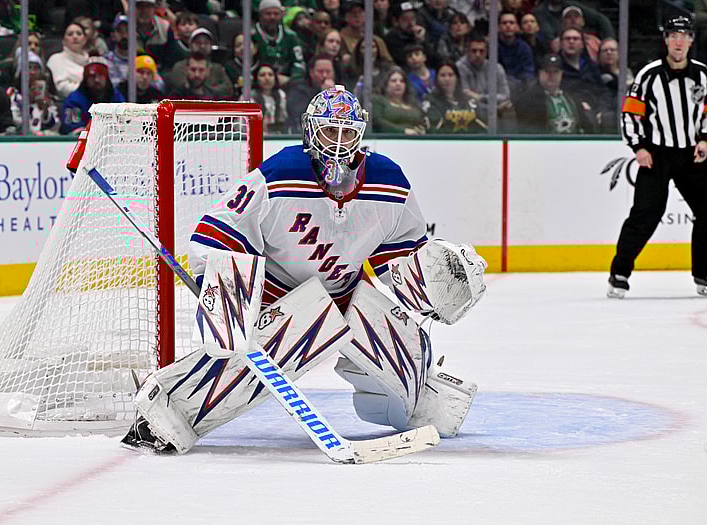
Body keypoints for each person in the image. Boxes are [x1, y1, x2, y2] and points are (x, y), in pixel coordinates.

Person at [121, 85, 486, 456]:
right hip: (280, 300)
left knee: (413, 379)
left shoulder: (388, 182)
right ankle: (163, 413)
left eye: (348, 133)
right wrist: (225, 296)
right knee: (259, 351)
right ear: (311, 131)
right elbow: (218, 235)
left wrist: (437, 285)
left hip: (347, 297)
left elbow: (401, 255)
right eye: (330, 131)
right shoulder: (280, 174)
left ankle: (424, 394)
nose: (339, 144)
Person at [608, 17, 707, 299]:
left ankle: (704, 273)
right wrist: (639, 147)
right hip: (657, 155)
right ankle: (619, 273)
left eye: (684, 36)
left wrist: (705, 140)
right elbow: (631, 114)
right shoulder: (649, 75)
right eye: (674, 35)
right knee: (645, 215)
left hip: (692, 156)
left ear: (691, 41)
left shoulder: (702, 74)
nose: (678, 41)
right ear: (666, 40)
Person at [514, 53, 592, 133]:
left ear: (561, 73)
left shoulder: (572, 96)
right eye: (547, 71)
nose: (551, 75)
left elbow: (587, 127)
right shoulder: (528, 99)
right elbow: (530, 132)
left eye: (555, 71)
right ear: (540, 73)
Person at [60, 55, 125, 135]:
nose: (96, 80)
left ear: (106, 78)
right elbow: (73, 130)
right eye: (92, 76)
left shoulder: (116, 97)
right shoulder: (74, 100)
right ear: (85, 78)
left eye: (100, 76)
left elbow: (124, 126)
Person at [423, 59, 487, 133]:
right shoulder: (430, 100)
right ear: (436, 79)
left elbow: (482, 125)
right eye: (442, 75)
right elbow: (434, 127)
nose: (447, 79)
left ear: (457, 78)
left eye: (450, 75)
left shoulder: (468, 100)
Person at [168, 28, 234, 98]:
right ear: (190, 45)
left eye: (206, 43)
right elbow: (182, 87)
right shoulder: (179, 66)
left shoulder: (218, 68)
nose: (202, 46)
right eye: (198, 43)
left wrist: (208, 90)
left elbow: (228, 89)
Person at [253, 0, 306, 87]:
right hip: (259, 83)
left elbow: (299, 63)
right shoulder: (252, 35)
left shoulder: (291, 36)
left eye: (276, 13)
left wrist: (292, 79)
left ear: (281, 15)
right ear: (260, 15)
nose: (272, 17)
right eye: (268, 13)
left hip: (286, 82)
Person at [6, 51, 60, 135]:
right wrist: (28, 101)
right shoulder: (12, 94)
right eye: (29, 68)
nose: (32, 72)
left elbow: (55, 126)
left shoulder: (46, 96)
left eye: (36, 68)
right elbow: (14, 120)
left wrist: (45, 110)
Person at [286, 53, 335, 131]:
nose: (325, 75)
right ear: (311, 72)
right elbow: (298, 113)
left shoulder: (340, 90)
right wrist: (323, 94)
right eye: (320, 71)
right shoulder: (298, 87)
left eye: (328, 71)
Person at [371, 66, 426, 134]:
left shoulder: (413, 103)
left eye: (402, 81)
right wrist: (404, 131)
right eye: (394, 81)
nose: (398, 83)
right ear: (386, 85)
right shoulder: (378, 100)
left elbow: (423, 122)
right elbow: (377, 122)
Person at [46, 22, 89, 99]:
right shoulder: (56, 59)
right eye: (70, 34)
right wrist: (87, 90)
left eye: (79, 34)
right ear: (63, 41)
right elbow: (61, 88)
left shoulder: (92, 61)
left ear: (85, 39)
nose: (75, 37)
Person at [497, 11, 535, 90]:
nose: (508, 25)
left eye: (511, 23)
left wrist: (522, 83)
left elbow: (528, 70)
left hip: (522, 85)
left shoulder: (524, 47)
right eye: (504, 23)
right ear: (498, 27)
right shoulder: (492, 47)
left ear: (517, 27)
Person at [247, 63, 288, 133]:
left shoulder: (281, 95)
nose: (267, 78)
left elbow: (285, 120)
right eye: (262, 75)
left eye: (270, 75)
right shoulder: (248, 97)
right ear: (256, 79)